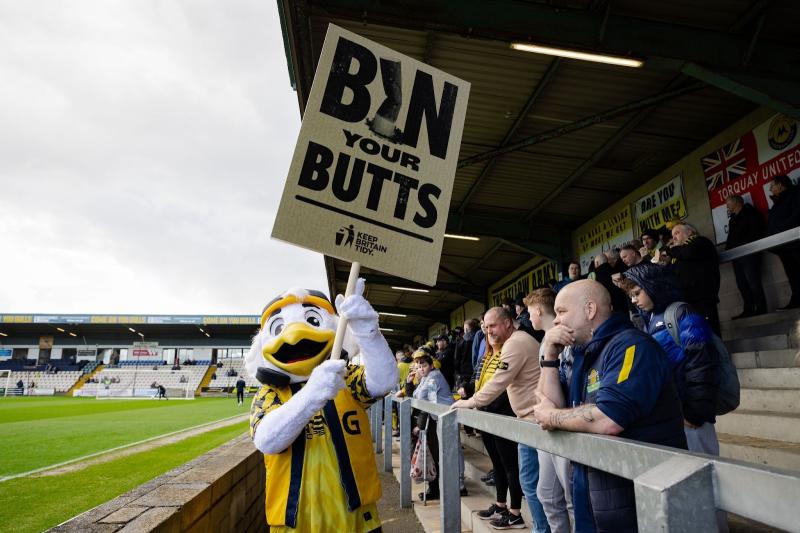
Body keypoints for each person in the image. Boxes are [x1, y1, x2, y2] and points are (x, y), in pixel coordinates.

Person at [533, 280, 686, 533]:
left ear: (590, 309)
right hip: (595, 492)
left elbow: (608, 418)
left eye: (561, 311)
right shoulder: (581, 353)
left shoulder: (631, 345)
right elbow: (553, 402)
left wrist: (551, 417)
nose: (556, 321)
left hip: (638, 496)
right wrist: (549, 356)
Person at [452, 307, 545, 532]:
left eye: (492, 325)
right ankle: (516, 514)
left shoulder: (516, 342)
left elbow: (498, 382)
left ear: (507, 323)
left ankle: (522, 518)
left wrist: (470, 402)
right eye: (485, 326)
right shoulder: (508, 344)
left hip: (532, 420)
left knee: (532, 485)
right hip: (527, 418)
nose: (488, 330)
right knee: (533, 485)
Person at [525, 289, 574, 533]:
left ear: (537, 310)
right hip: (548, 426)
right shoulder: (545, 339)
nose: (529, 319)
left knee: (571, 499)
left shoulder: (563, 337)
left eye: (529, 313)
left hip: (565, 425)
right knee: (547, 494)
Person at [405, 353, 467, 500]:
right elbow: (415, 395)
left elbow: (420, 397)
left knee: (454, 451)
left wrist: (417, 381)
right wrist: (413, 382)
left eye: (424, 365)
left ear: (431, 366)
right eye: (419, 366)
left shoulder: (434, 377)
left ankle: (460, 485)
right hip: (439, 418)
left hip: (448, 418)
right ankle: (452, 485)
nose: (421, 369)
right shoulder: (426, 378)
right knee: (445, 452)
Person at [665, 223, 722, 335]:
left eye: (677, 233)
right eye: (672, 235)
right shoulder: (679, 253)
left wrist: (672, 250)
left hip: (703, 298)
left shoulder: (700, 242)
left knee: (710, 333)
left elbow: (690, 253)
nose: (674, 238)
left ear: (690, 232)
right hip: (687, 300)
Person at [725, 195, 767, 318]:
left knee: (753, 282)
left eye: (728, 204)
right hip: (737, 256)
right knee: (742, 283)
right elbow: (731, 238)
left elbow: (757, 231)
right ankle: (748, 309)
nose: (727, 206)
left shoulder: (751, 213)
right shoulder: (732, 219)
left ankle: (761, 309)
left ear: (736, 203)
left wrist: (745, 245)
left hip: (750, 253)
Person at [767, 175, 800, 309]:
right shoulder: (775, 205)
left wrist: (781, 230)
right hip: (783, 247)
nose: (770, 189)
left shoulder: (795, 195)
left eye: (772, 186)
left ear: (780, 185)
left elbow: (797, 216)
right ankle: (797, 300)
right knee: (792, 274)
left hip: (796, 243)